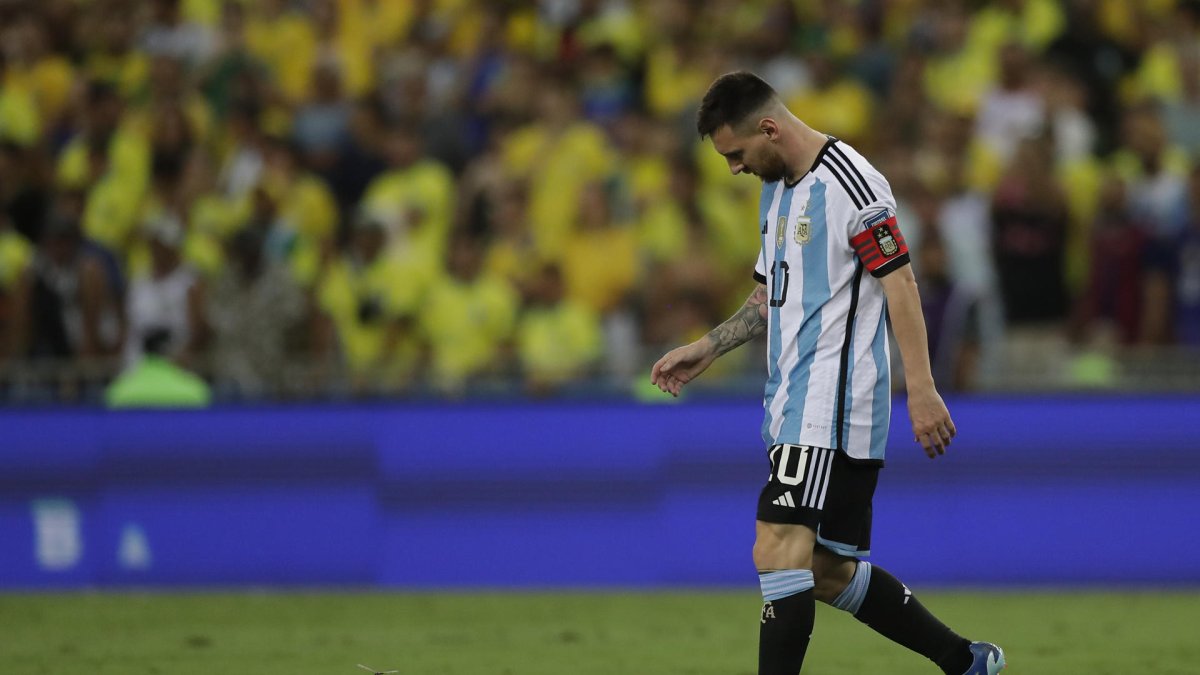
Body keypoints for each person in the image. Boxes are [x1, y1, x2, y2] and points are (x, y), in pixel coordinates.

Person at [650, 72, 1005, 675]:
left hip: (831, 404)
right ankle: (964, 661)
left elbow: (901, 283)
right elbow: (770, 295)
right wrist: (708, 347)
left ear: (768, 128)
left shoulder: (853, 182)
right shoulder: (775, 189)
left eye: (736, 154)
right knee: (822, 570)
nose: (734, 168)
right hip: (791, 401)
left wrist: (920, 387)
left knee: (776, 550)